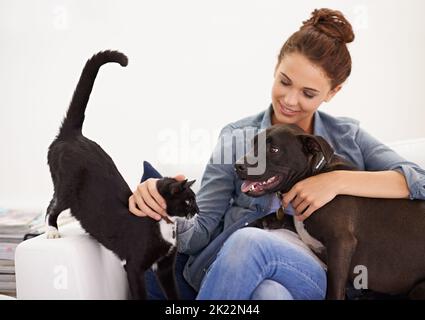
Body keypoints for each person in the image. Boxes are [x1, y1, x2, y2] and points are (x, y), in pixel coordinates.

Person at [128, 8, 425, 300]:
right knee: (267, 291)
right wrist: (165, 203)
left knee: (249, 242)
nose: (290, 101)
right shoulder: (236, 138)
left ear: (332, 92)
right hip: (243, 269)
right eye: (284, 82)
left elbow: (419, 182)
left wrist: (335, 181)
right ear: (275, 68)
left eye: (308, 93)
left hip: (319, 276)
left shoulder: (348, 138)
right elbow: (199, 232)